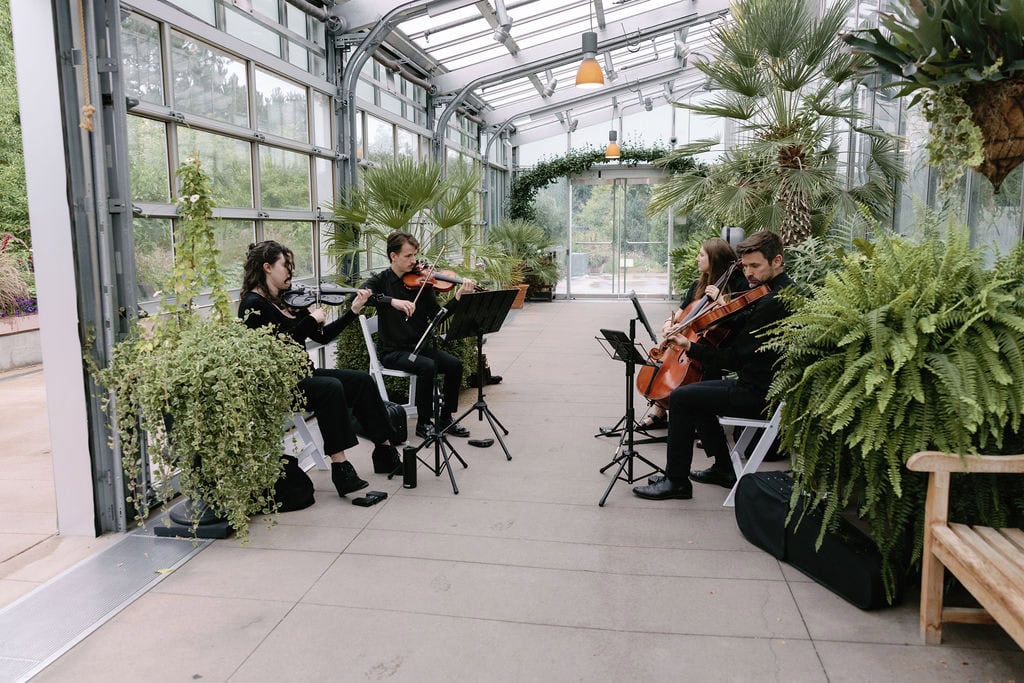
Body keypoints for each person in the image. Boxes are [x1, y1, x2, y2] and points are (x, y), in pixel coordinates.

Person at [632, 230, 794, 500]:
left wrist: (689, 346)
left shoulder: (772, 303)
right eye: (746, 266)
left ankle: (677, 481)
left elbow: (734, 358)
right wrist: (722, 311)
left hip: (758, 392)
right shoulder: (782, 292)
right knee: (700, 389)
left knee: (683, 396)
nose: (750, 274)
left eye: (756, 266)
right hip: (765, 384)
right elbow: (746, 332)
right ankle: (723, 468)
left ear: (777, 260)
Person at [239, 240, 403, 498]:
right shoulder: (252, 305)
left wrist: (353, 311)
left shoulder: (287, 300)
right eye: (286, 266)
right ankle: (341, 469)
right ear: (267, 267)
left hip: (303, 375)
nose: (291, 273)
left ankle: (384, 451)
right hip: (281, 383)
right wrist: (309, 320)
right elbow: (277, 345)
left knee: (362, 381)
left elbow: (323, 337)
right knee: (330, 388)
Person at [359, 231, 476, 439]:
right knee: (427, 366)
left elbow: (438, 316)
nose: (414, 261)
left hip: (420, 347)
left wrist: (458, 298)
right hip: (393, 352)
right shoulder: (382, 280)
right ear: (393, 256)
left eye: (415, 255)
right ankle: (423, 423)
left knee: (454, 365)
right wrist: (392, 301)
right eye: (408, 256)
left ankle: (445, 418)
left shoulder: (422, 282)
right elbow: (362, 294)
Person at [639, 237, 749, 430]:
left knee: (706, 362)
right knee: (663, 363)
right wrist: (669, 325)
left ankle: (705, 424)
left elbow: (743, 318)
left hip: (722, 345)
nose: (697, 259)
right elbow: (680, 315)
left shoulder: (738, 284)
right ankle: (660, 411)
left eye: (701, 255)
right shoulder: (698, 286)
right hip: (692, 340)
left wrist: (722, 301)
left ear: (714, 259)